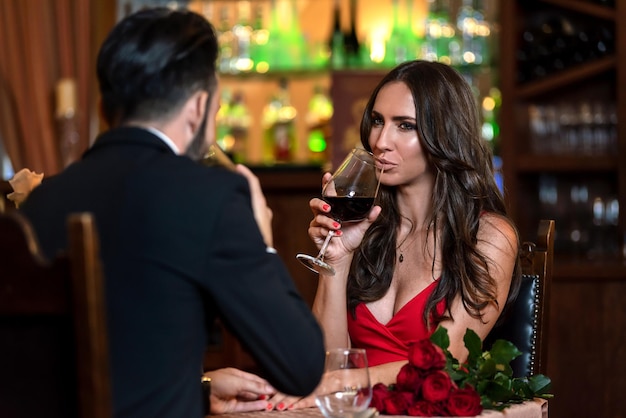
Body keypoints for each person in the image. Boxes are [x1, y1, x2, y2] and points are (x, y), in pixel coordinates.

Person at [20, 7, 325, 417]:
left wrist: (198, 391)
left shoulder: (41, 202)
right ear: (199, 107)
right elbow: (302, 366)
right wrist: (264, 243)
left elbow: (107, 363)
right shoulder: (209, 195)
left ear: (104, 106)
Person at [272, 60, 521, 410]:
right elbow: (329, 364)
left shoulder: (487, 235)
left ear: (445, 134)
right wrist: (337, 261)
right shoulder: (367, 225)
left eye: (405, 126)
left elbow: (444, 362)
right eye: (377, 121)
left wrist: (344, 380)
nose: (380, 141)